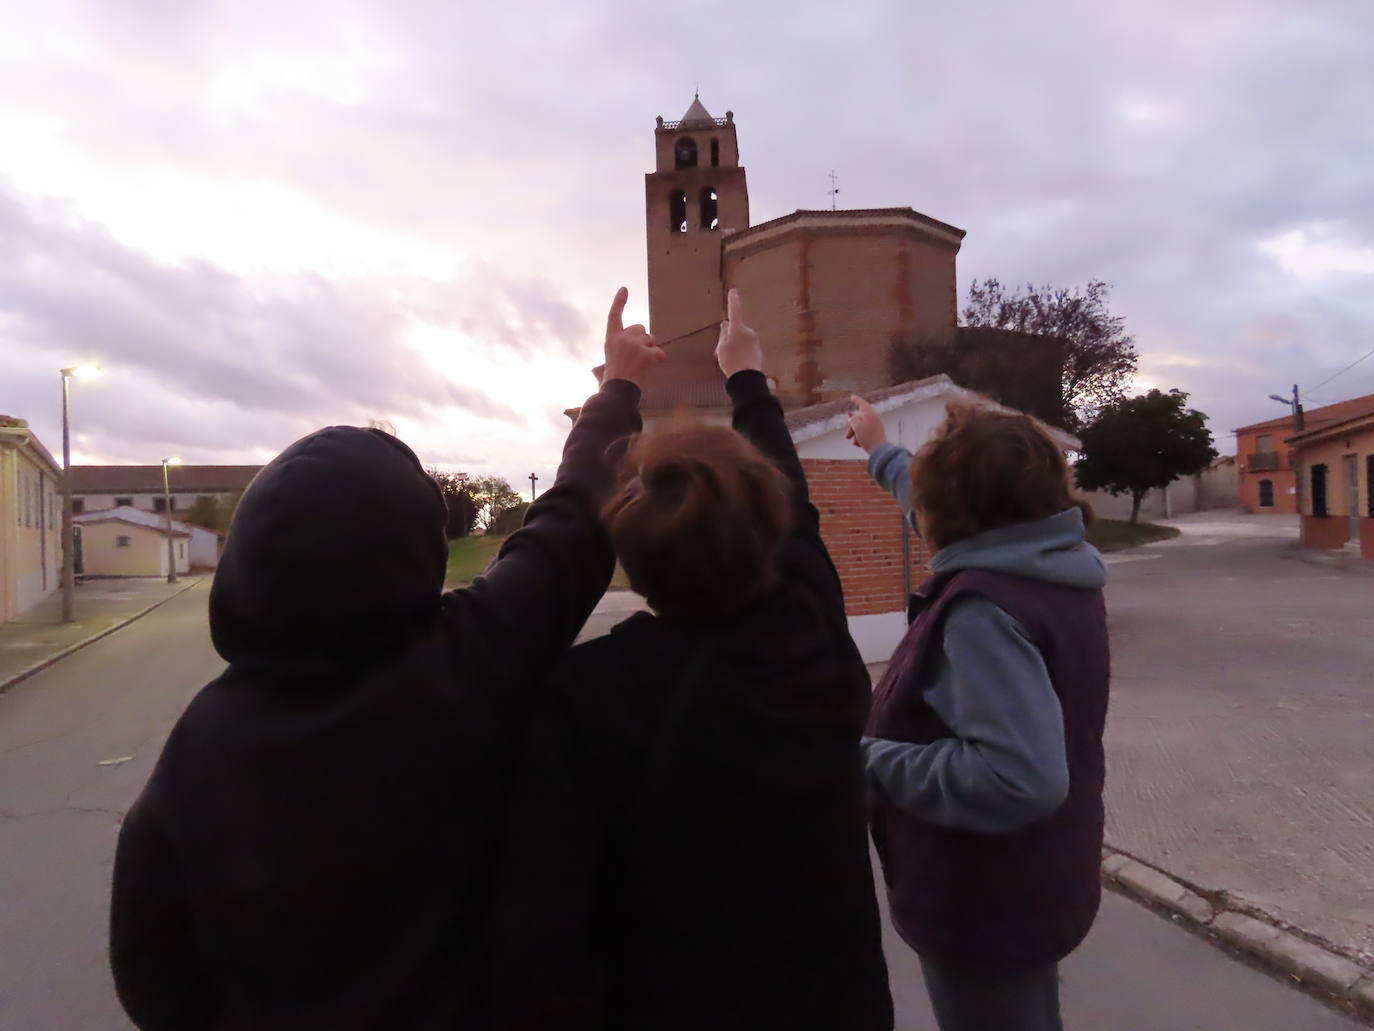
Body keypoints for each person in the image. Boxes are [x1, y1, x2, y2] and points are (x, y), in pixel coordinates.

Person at [108, 289, 664, 1030]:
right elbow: (568, 533)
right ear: (410, 552)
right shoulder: (465, 660)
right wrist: (617, 391)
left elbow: (149, 966)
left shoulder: (202, 740)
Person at [486, 289, 893, 1031]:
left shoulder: (585, 700)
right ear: (769, 528)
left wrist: (616, 391)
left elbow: (546, 929)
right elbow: (795, 507)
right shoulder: (814, 635)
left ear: (632, 568)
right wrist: (746, 376)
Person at [845, 395, 1110, 1031]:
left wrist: (865, 762)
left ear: (948, 515)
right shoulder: (1049, 564)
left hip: (984, 901)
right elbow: (932, 500)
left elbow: (1017, 777)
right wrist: (881, 449)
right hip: (1039, 874)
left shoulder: (983, 611)